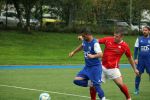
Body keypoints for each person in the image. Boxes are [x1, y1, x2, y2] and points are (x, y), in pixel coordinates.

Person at [78, 29, 139, 100]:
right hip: (102, 67)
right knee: (93, 85)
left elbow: (130, 58)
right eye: (114, 36)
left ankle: (128, 98)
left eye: (117, 36)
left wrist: (135, 69)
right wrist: (83, 38)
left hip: (113, 69)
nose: (114, 38)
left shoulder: (125, 46)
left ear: (121, 37)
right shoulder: (108, 39)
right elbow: (95, 41)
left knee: (120, 84)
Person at [69, 28, 106, 100]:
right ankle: (92, 83)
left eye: (84, 36)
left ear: (88, 35)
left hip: (95, 68)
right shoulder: (85, 40)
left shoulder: (95, 43)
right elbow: (82, 45)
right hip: (87, 67)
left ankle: (103, 98)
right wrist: (73, 52)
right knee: (76, 80)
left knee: (97, 86)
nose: (83, 37)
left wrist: (93, 56)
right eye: (82, 36)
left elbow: (101, 54)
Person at [134, 26, 150, 95]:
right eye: (143, 30)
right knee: (138, 74)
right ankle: (136, 89)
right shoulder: (139, 39)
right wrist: (135, 58)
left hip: (149, 60)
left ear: (149, 31)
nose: (144, 31)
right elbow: (136, 49)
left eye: (146, 30)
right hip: (141, 60)